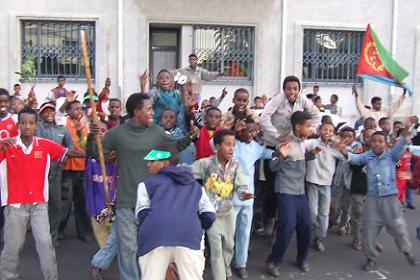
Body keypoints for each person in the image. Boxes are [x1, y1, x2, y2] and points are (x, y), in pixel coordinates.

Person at [89, 93, 199, 280]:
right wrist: (93, 137)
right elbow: (95, 153)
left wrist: (191, 136)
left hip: (152, 201)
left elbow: (176, 146)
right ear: (137, 112)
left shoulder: (156, 132)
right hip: (126, 200)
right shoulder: (117, 133)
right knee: (128, 249)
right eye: (148, 109)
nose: (152, 113)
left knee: (150, 246)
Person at [338, 117, 418, 271]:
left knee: (398, 228)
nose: (376, 144)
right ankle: (371, 258)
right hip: (373, 199)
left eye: (380, 141)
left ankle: (407, 250)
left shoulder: (391, 155)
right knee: (368, 231)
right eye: (374, 141)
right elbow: (354, 159)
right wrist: (343, 151)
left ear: (385, 143)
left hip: (390, 199)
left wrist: (407, 128)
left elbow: (401, 143)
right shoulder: (367, 156)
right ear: (370, 143)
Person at [0, 107, 68, 280]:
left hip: (39, 204)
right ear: (18, 125)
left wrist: (94, 152)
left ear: (36, 125)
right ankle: (8, 276)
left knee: (46, 243)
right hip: (15, 205)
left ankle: (51, 277)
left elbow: (66, 153)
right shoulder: (7, 145)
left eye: (31, 123)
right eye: (23, 123)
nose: (27, 126)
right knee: (13, 246)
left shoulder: (44, 145)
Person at [135, 146, 216, 279]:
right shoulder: (195, 185)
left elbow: (142, 215)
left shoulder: (146, 184)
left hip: (154, 237)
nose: (148, 164)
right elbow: (209, 215)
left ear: (165, 163)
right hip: (189, 237)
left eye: (152, 161)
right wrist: (194, 224)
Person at [191, 129, 254, 280]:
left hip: (227, 213)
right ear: (218, 146)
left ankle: (226, 271)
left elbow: (241, 184)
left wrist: (243, 192)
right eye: (227, 145)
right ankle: (220, 276)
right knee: (217, 250)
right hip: (211, 214)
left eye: (233, 145)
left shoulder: (235, 165)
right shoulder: (206, 164)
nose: (231, 148)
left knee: (228, 246)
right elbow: (187, 172)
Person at [266, 111, 316, 276]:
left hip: (300, 191)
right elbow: (272, 167)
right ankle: (273, 261)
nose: (310, 129)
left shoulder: (303, 142)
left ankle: (301, 259)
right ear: (298, 126)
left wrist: (311, 155)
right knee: (287, 227)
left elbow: (301, 158)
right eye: (307, 126)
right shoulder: (285, 142)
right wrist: (281, 155)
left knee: (306, 227)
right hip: (286, 190)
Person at [232, 120, 274, 279]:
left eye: (254, 132)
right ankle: (224, 263)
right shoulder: (233, 144)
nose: (252, 135)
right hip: (232, 197)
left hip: (249, 197)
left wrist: (281, 151)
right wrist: (231, 130)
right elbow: (214, 144)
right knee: (229, 234)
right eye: (249, 131)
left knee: (244, 233)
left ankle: (241, 264)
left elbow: (268, 154)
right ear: (241, 131)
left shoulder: (256, 147)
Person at [35, 101, 78, 246]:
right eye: (46, 111)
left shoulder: (62, 129)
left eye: (51, 111)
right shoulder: (39, 127)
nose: (49, 114)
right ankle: (41, 237)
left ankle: (53, 235)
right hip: (39, 172)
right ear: (41, 114)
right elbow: (40, 144)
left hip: (56, 172)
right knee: (40, 206)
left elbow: (70, 145)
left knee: (55, 204)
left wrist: (65, 156)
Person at [305, 121, 344, 252]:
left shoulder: (333, 147)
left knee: (324, 213)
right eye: (325, 129)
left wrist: (339, 144)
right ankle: (309, 232)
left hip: (327, 183)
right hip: (312, 181)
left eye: (330, 131)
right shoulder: (312, 143)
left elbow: (345, 156)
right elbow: (301, 148)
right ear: (319, 130)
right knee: (313, 212)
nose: (327, 132)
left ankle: (319, 238)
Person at [59, 100, 92, 242]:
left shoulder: (84, 124)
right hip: (67, 168)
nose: (79, 112)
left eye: (80, 109)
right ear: (69, 111)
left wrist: (80, 131)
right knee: (65, 201)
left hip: (82, 167)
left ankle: (83, 231)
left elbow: (85, 145)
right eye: (76, 109)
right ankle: (59, 229)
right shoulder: (63, 123)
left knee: (82, 200)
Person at [260, 75, 321, 146]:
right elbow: (264, 117)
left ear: (299, 90)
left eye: (295, 89)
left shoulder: (303, 100)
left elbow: (316, 114)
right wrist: (278, 136)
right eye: (288, 89)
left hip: (294, 142)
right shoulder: (277, 100)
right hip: (273, 142)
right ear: (284, 90)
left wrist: (310, 130)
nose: (292, 92)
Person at [329, 127, 360, 236]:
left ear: (354, 138)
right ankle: (331, 221)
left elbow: (356, 157)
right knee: (334, 204)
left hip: (350, 181)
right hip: (338, 179)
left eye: (350, 136)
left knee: (346, 206)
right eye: (344, 136)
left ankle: (343, 225)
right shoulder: (336, 146)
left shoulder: (357, 147)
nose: (347, 138)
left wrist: (344, 149)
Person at [349, 128, 375, 251]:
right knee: (357, 216)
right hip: (358, 188)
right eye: (368, 136)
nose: (371, 139)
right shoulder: (358, 150)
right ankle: (357, 239)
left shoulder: (381, 152)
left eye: (373, 136)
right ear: (363, 137)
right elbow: (352, 167)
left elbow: (397, 165)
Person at [0, 88, 18, 233]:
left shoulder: (15, 120)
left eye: (6, 101)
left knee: (8, 202)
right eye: (0, 101)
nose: (3, 104)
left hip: (10, 166)